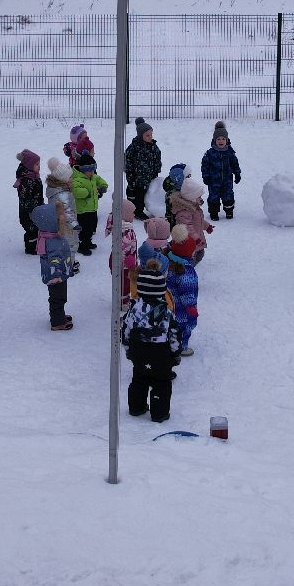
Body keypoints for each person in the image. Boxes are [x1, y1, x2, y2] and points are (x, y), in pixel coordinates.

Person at [121, 260, 182, 422]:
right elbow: (174, 333)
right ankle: (159, 412)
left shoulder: (134, 309)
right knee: (161, 383)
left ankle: (136, 407)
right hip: (161, 354)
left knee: (139, 379)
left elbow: (125, 331)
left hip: (138, 352)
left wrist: (128, 350)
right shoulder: (166, 312)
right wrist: (175, 353)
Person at [32, 202, 76, 330]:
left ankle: (59, 315)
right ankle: (57, 322)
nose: (63, 219)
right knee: (57, 298)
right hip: (56, 277)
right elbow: (54, 261)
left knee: (60, 297)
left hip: (60, 274)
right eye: (59, 218)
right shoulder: (52, 241)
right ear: (51, 222)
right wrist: (56, 275)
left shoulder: (53, 236)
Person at [165, 224, 200, 355]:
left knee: (172, 325)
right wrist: (190, 306)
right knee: (184, 326)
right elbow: (187, 289)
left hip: (170, 304)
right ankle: (181, 348)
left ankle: (169, 343)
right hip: (182, 307)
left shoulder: (170, 262)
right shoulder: (186, 270)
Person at [200, 121, 242, 220]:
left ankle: (229, 211)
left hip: (227, 181)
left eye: (223, 139)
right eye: (218, 139)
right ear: (214, 140)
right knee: (213, 197)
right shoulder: (210, 153)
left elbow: (235, 164)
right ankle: (214, 213)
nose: (221, 141)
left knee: (228, 196)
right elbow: (205, 166)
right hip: (213, 181)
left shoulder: (230, 152)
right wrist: (206, 176)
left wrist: (237, 173)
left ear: (227, 140)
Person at [124, 117, 163, 219]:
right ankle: (137, 211)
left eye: (151, 135)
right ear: (141, 135)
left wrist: (156, 169)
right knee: (138, 195)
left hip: (149, 176)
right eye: (147, 135)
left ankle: (149, 207)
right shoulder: (134, 147)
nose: (150, 137)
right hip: (137, 178)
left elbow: (157, 158)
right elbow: (127, 161)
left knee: (148, 193)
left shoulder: (153, 146)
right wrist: (130, 174)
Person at [71, 152, 108, 256]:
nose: (92, 172)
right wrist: (88, 192)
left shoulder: (93, 177)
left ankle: (88, 241)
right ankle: (82, 245)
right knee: (84, 229)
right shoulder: (76, 179)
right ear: (83, 170)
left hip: (92, 208)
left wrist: (103, 186)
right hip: (82, 211)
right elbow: (76, 191)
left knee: (92, 227)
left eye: (93, 170)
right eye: (90, 170)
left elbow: (101, 181)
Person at [169, 177, 214, 263]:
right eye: (198, 197)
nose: (201, 199)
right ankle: (185, 267)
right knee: (191, 258)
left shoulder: (194, 207)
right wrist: (196, 239)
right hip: (189, 242)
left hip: (197, 239)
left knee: (200, 254)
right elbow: (187, 227)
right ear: (191, 198)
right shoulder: (184, 212)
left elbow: (199, 220)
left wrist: (207, 226)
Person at [14, 148, 45, 254]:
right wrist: (32, 209)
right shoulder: (26, 181)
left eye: (39, 164)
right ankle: (31, 248)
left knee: (36, 229)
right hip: (28, 213)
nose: (39, 166)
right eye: (36, 164)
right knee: (31, 230)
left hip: (36, 209)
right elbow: (25, 199)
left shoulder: (34, 177)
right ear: (29, 165)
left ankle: (37, 245)